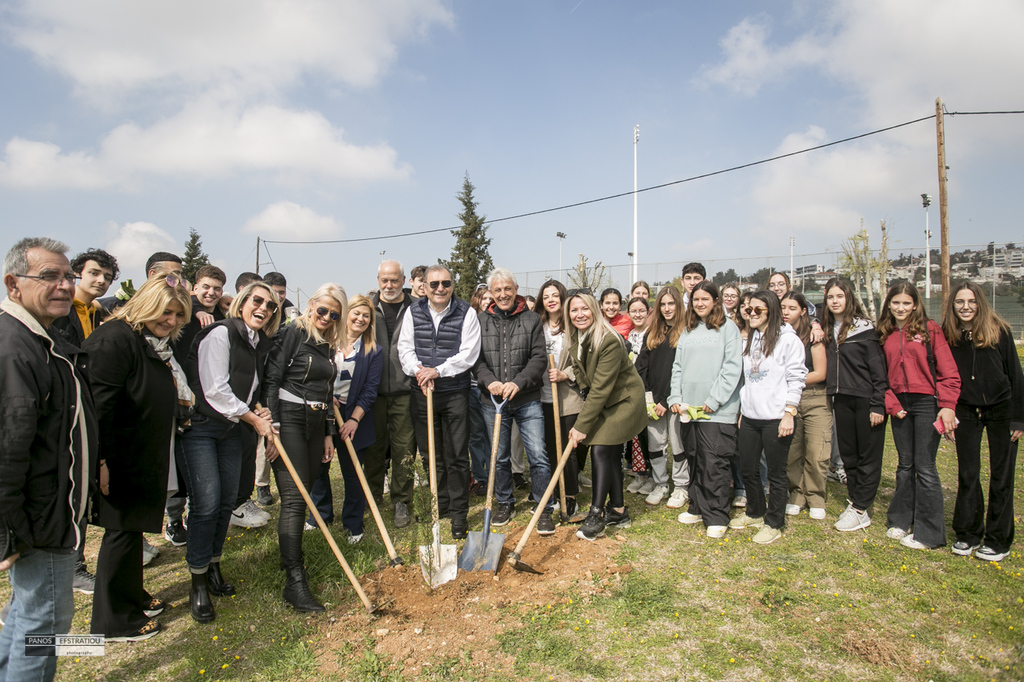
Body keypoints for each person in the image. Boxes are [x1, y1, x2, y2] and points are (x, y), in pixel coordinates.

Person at [0, 238, 98, 682]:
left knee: (26, 613)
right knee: (46, 626)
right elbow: (7, 446)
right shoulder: (15, 348)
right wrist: (6, 531)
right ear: (13, 284)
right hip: (41, 519)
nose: (64, 286)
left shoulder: (41, 339)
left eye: (67, 276)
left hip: (48, 511)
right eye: (49, 277)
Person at [85, 273, 192, 641]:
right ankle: (114, 621)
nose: (172, 321)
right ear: (146, 303)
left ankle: (131, 595)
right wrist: (100, 461)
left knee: (131, 532)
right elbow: (98, 407)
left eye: (179, 315)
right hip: (118, 456)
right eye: (166, 312)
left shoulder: (144, 339)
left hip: (141, 453)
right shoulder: (115, 339)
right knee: (120, 532)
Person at [181, 281, 280, 623]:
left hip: (232, 429)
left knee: (226, 502)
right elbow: (215, 389)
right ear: (241, 303)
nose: (263, 309)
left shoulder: (255, 342)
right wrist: (254, 419)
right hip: (202, 428)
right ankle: (196, 583)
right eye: (258, 301)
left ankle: (212, 566)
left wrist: (259, 409)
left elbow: (248, 387)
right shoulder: (222, 334)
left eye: (270, 306)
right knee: (206, 503)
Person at [264, 283, 346, 611]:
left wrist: (328, 433)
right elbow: (272, 377)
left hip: (315, 421)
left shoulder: (327, 344)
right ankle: (294, 581)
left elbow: (327, 392)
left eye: (333, 313)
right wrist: (273, 428)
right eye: (322, 309)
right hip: (289, 417)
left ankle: (290, 558)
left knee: (307, 487)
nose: (326, 317)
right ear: (311, 305)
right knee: (295, 498)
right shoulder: (294, 331)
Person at [50, 247, 119, 594]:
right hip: (64, 412)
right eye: (94, 273)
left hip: (88, 409)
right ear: (78, 273)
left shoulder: (95, 312)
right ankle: (68, 566)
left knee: (81, 488)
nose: (101, 280)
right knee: (66, 489)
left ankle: (72, 562)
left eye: (107, 276)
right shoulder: (63, 313)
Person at [942, 281, 1023, 562]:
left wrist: (1019, 419)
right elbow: (943, 377)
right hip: (966, 411)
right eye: (960, 302)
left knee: (1001, 477)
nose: (966, 307)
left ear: (980, 303)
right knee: (968, 473)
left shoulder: (999, 331)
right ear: (952, 305)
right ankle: (968, 533)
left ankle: (999, 539)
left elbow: (1015, 375)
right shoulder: (948, 335)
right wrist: (947, 412)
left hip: (1002, 410)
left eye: (972, 301)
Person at [398, 265, 481, 539]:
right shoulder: (413, 311)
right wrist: (420, 371)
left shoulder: (466, 312)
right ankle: (441, 504)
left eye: (445, 283)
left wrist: (439, 370)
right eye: (434, 284)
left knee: (456, 455)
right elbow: (405, 347)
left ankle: (459, 514)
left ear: (452, 285)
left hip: (455, 392)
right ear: (425, 286)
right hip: (422, 392)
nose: (439, 289)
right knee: (431, 455)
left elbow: (469, 353)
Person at [878, 282, 960, 550]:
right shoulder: (885, 333)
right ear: (889, 304)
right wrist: (891, 402)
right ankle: (901, 520)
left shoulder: (929, 329)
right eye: (896, 302)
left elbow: (948, 372)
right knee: (904, 465)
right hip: (899, 404)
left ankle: (930, 533)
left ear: (915, 305)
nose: (901, 308)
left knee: (925, 468)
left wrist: (947, 405)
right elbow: (880, 376)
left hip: (927, 403)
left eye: (906, 303)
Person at [473, 268, 553, 532]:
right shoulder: (480, 321)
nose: (503, 294)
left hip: (526, 398)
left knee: (538, 455)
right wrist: (490, 382)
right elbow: (476, 360)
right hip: (493, 400)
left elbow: (539, 358)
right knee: (499, 456)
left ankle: (543, 506)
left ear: (516, 289)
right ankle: (505, 501)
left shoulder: (531, 319)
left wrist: (518, 383)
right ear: (491, 293)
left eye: (508, 289)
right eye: (497, 290)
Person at [565, 292, 647, 541]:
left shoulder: (609, 340)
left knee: (601, 450)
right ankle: (619, 511)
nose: (579, 314)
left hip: (624, 401)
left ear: (594, 310)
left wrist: (581, 426)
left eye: (584, 309)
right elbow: (581, 374)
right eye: (574, 310)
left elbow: (601, 388)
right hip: (605, 401)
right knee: (608, 453)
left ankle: (597, 514)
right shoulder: (577, 337)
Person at [728, 290, 806, 544]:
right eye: (749, 309)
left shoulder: (789, 341)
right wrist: (742, 410)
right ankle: (755, 512)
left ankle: (774, 522)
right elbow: (748, 378)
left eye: (757, 310)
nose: (750, 314)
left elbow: (796, 378)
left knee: (776, 473)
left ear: (771, 312)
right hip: (750, 416)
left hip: (776, 417)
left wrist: (789, 413)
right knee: (749, 469)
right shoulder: (752, 338)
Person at [669, 281, 742, 537]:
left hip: (716, 410)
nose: (700, 303)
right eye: (695, 299)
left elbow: (732, 368)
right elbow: (678, 367)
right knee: (695, 458)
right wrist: (675, 397)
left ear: (715, 301)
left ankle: (717, 516)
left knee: (714, 462)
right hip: (689, 410)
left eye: (705, 299)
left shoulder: (728, 329)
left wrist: (715, 398)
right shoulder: (687, 330)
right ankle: (698, 506)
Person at [307, 294, 382, 544]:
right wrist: (326, 396)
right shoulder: (325, 341)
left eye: (366, 316)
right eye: (356, 313)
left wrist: (354, 420)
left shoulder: (373, 351)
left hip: (353, 418)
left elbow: (371, 390)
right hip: (322, 414)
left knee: (353, 473)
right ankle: (320, 516)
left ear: (370, 322)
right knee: (319, 468)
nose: (360, 319)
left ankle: (353, 523)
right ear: (346, 315)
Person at [822, 278, 888, 533]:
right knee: (849, 456)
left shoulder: (865, 330)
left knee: (868, 456)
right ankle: (856, 502)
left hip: (865, 399)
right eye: (831, 297)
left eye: (840, 296)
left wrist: (878, 404)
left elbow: (878, 372)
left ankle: (861, 509)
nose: (835, 301)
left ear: (849, 299)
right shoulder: (828, 328)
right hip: (841, 399)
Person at [364, 260, 417, 528]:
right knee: (373, 449)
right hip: (372, 394)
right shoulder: (366, 308)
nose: (389, 285)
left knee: (404, 449)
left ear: (404, 280)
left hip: (405, 392)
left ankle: (402, 501)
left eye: (394, 280)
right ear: (378, 280)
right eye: (384, 280)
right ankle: (372, 498)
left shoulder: (417, 308)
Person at [635, 286, 689, 508]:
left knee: (677, 445)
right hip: (653, 401)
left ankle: (681, 486)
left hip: (675, 400)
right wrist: (649, 399)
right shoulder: (652, 331)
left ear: (679, 305)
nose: (667, 309)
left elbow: (683, 370)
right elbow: (641, 366)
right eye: (663, 304)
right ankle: (661, 484)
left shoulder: (687, 332)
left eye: (671, 304)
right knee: (656, 445)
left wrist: (667, 401)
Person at [780, 291, 831, 521]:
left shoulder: (812, 334)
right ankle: (796, 494)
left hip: (814, 398)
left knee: (816, 451)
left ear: (803, 311)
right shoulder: (778, 335)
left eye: (792, 308)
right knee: (792, 451)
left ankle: (816, 496)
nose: (786, 312)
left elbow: (820, 373)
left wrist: (789, 379)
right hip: (788, 401)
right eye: (783, 308)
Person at [538, 279, 585, 520]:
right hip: (544, 397)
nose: (551, 300)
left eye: (555, 295)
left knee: (568, 449)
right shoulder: (537, 325)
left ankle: (570, 496)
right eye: (546, 296)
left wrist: (566, 374)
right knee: (549, 449)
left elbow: (584, 362)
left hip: (568, 397)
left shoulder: (572, 327)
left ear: (562, 297)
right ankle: (555, 494)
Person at [467, 284, 495, 496]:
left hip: (492, 388)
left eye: (490, 297)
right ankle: (480, 477)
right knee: (476, 434)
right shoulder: (469, 321)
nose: (487, 301)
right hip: (472, 387)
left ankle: (496, 475)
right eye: (484, 298)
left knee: (492, 435)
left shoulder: (497, 321)